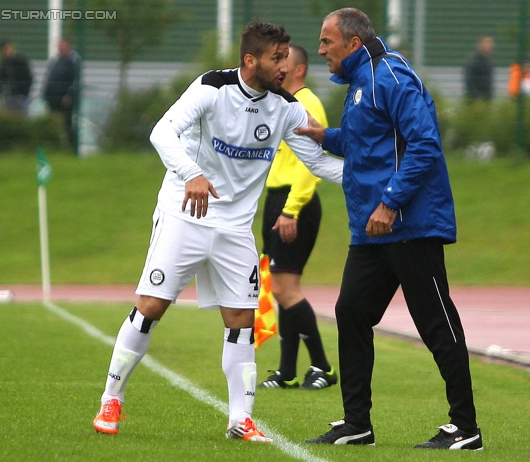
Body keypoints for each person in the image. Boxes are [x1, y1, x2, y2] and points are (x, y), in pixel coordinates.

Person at [91, 21, 343, 442]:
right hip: (184, 213)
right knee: (151, 306)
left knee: (242, 320)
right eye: (276, 58)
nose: (285, 66)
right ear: (251, 60)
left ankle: (240, 419)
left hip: (234, 228)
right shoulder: (212, 87)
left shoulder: (286, 107)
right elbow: (162, 132)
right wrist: (191, 172)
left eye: (286, 58)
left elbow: (317, 163)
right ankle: (111, 399)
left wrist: (376, 182)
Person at [297, 8, 482, 450]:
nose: (321, 50)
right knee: (352, 312)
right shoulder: (362, 83)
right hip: (373, 230)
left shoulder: (391, 75)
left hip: (409, 224)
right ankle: (356, 423)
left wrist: (389, 202)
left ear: (353, 43)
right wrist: (324, 135)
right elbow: (368, 142)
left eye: (327, 42)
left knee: (436, 324)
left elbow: (423, 143)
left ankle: (466, 428)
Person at [258, 43, 337, 391]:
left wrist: (291, 209)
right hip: (277, 199)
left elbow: (313, 164)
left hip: (295, 203)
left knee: (287, 288)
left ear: (299, 69)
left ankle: (322, 366)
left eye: (283, 59)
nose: (277, 64)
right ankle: (287, 370)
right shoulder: (280, 103)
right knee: (278, 288)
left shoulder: (306, 103)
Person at [43, 38, 80, 151]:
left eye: (63, 45)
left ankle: (71, 148)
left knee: (67, 125)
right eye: (60, 45)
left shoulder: (72, 63)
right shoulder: (55, 62)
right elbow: (49, 79)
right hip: (52, 98)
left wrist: (69, 96)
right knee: (53, 124)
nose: (60, 48)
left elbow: (74, 81)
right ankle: (54, 147)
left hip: (64, 100)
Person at [0, 39, 33, 114]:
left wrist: (24, 93)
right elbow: (1, 79)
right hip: (9, 96)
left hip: (21, 96)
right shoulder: (3, 63)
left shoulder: (21, 60)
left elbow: (28, 78)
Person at [464, 36, 494, 101]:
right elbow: (469, 80)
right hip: (475, 99)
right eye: (485, 44)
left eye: (489, 44)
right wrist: (476, 97)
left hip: (487, 98)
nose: (487, 47)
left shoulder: (489, 61)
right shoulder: (473, 61)